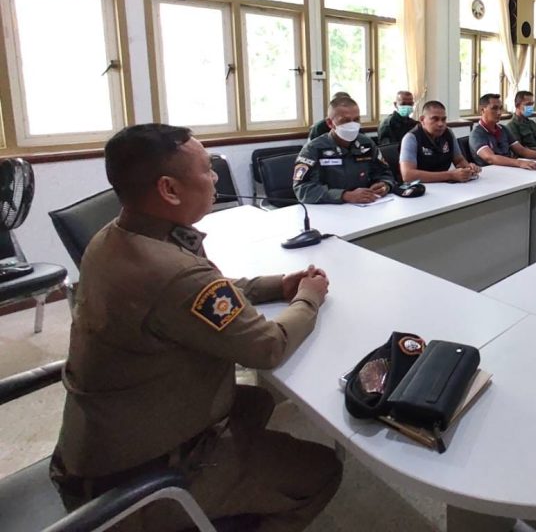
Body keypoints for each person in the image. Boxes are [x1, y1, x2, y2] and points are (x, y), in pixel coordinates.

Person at [50, 124, 342, 531]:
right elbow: (267, 346)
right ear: (169, 189)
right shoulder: (172, 271)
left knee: (255, 403)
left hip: (101, 443)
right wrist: (308, 298)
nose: (216, 178)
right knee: (322, 469)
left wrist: (277, 285)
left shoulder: (114, 238)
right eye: (206, 170)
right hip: (135, 480)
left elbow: (206, 294)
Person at [293, 96, 395, 203]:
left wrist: (385, 185)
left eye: (356, 120)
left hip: (366, 205)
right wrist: (344, 195)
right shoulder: (313, 149)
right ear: (330, 123)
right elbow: (302, 189)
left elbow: (385, 172)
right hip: (329, 209)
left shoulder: (366, 144)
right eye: (345, 120)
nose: (352, 125)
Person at [469, 93, 536, 170]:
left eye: (500, 108)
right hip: (492, 173)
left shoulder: (503, 129)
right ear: (482, 110)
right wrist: (520, 163)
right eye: (494, 108)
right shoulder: (477, 134)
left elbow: (521, 150)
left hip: (510, 168)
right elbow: (490, 158)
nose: (499, 112)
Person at [399, 100, 481, 183]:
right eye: (435, 119)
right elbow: (408, 175)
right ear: (422, 119)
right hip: (420, 187)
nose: (440, 124)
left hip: (443, 185)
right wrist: (450, 175)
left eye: (443, 119)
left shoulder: (448, 133)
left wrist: (468, 168)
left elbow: (459, 160)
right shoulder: (411, 138)